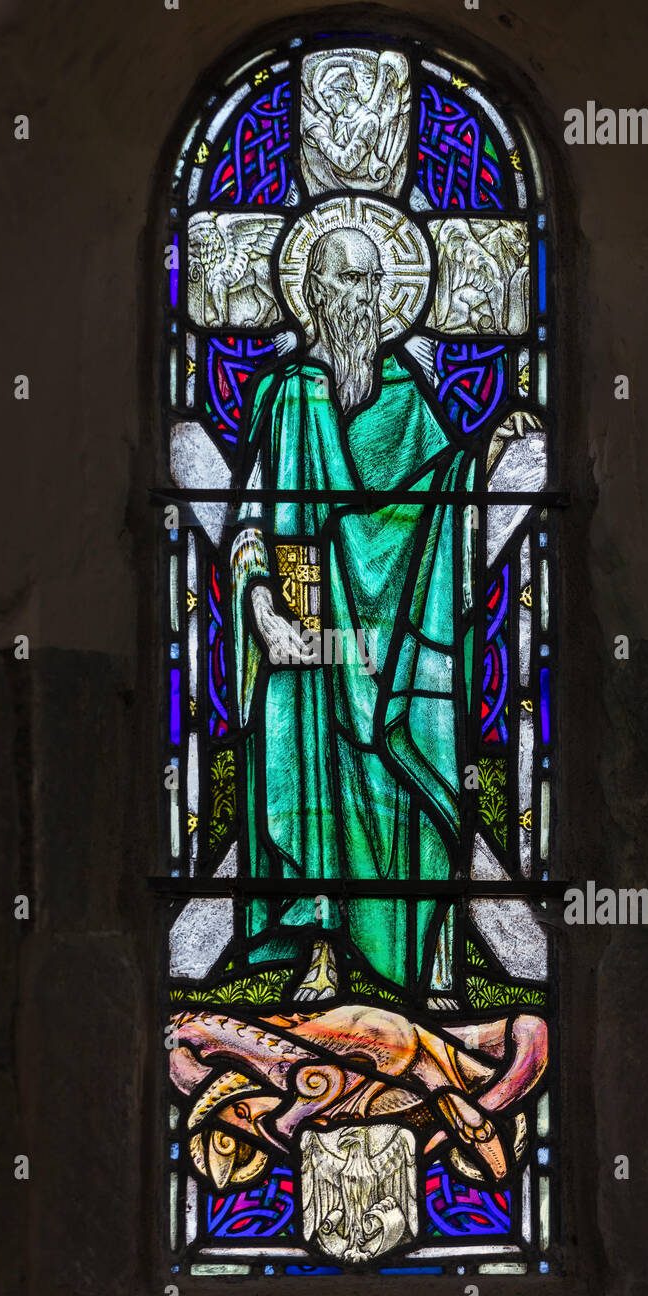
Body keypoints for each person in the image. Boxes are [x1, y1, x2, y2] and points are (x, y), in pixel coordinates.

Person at [230, 226, 474, 1002]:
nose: (360, 301)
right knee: (296, 737)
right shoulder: (284, 394)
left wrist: (498, 449)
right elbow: (246, 524)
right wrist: (263, 605)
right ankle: (322, 947)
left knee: (411, 750)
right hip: (306, 631)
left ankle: (428, 960)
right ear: (313, 291)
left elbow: (444, 507)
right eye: (345, 282)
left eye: (372, 283)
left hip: (387, 641)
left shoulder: (408, 396)